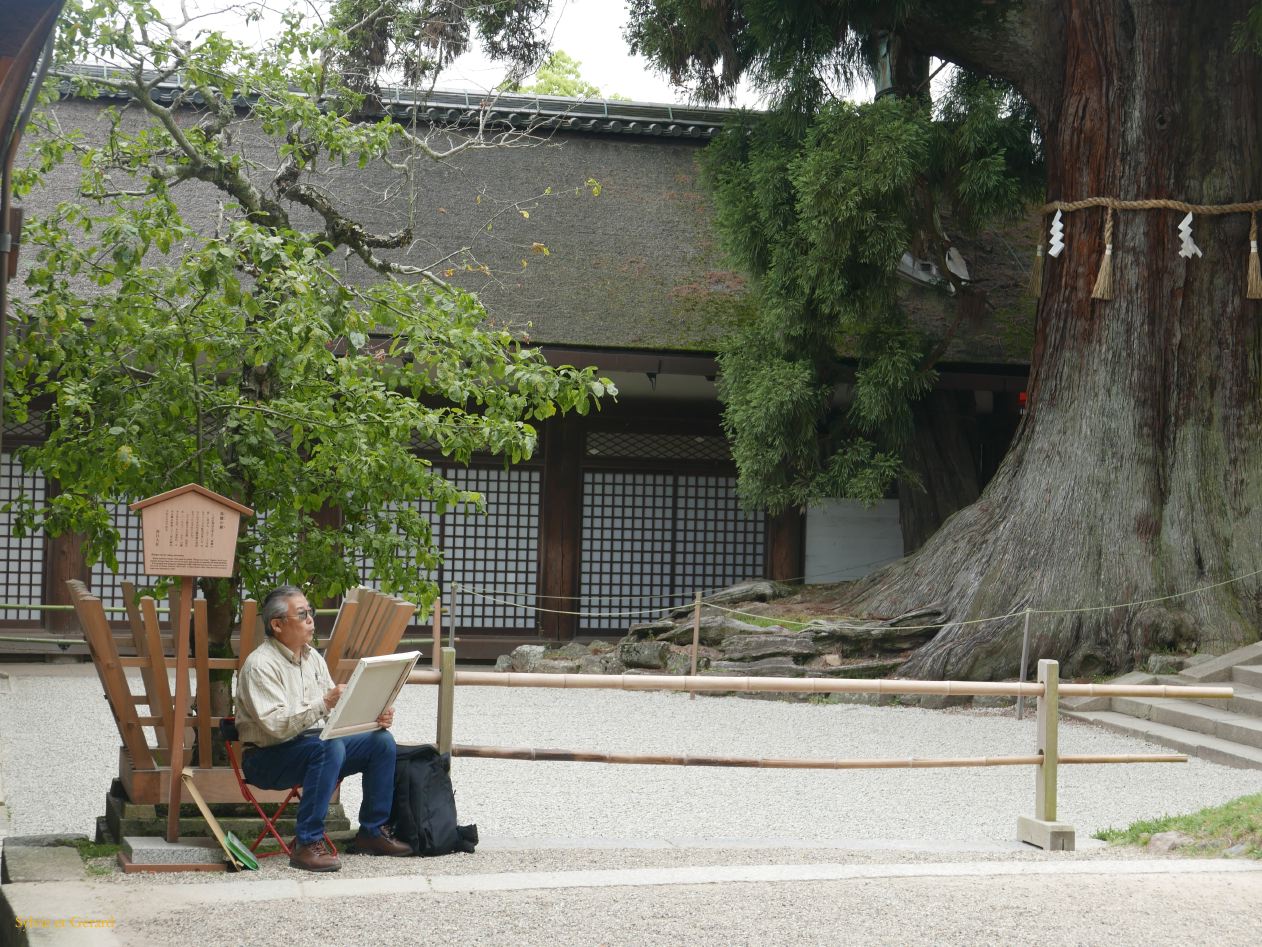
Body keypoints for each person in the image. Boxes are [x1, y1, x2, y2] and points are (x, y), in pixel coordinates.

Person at [234, 584, 411, 871]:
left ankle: (372, 831)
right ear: (277, 625)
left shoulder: (312, 657)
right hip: (267, 758)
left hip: (315, 746)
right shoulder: (260, 665)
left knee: (380, 742)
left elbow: (334, 716)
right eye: (302, 614)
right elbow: (276, 727)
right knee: (327, 746)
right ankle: (306, 843)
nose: (310, 620)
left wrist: (373, 716)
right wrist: (325, 702)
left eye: (310, 612)